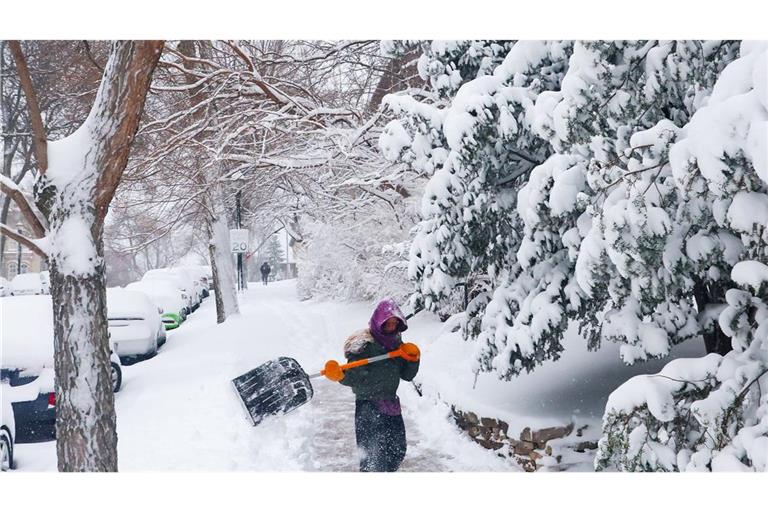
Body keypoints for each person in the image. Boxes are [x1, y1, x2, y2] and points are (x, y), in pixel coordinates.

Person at [323, 298, 420, 472]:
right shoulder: (364, 346)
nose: (391, 327)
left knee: (397, 451)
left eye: (394, 324)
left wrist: (413, 359)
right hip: (368, 406)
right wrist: (340, 375)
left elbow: (407, 375)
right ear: (378, 322)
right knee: (373, 459)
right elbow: (355, 376)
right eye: (387, 324)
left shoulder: (397, 345)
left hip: (391, 404)